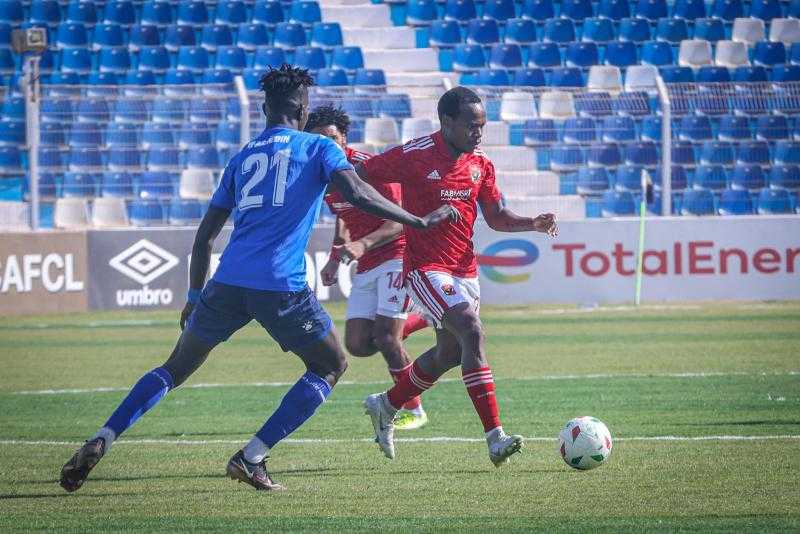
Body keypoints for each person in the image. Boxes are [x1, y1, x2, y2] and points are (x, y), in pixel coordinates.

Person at [58, 65, 457, 493]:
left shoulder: (243, 156)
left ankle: (103, 436)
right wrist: (416, 220)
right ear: (303, 110)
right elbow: (358, 193)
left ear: (265, 107)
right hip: (280, 284)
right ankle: (252, 456)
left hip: (226, 283)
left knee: (174, 368)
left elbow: (205, 237)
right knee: (331, 364)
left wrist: (195, 295)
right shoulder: (319, 149)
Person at [359, 86, 558, 466]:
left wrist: (531, 223)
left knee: (449, 353)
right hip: (424, 269)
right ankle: (495, 437)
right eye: (471, 126)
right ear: (446, 122)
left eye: (482, 126)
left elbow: (497, 217)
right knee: (472, 331)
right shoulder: (414, 154)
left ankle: (386, 404)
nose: (478, 133)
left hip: (464, 270)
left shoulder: (480, 163)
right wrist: (394, 217)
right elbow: (362, 175)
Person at [304, 105, 429, 430]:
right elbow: (343, 214)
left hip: (399, 254)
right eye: (319, 139)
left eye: (333, 138)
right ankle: (429, 316)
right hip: (368, 261)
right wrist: (335, 256)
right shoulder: (321, 173)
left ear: (344, 137)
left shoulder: (368, 169)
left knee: (387, 339)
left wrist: (361, 244)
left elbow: (401, 221)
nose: (328, 144)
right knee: (358, 345)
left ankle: (414, 410)